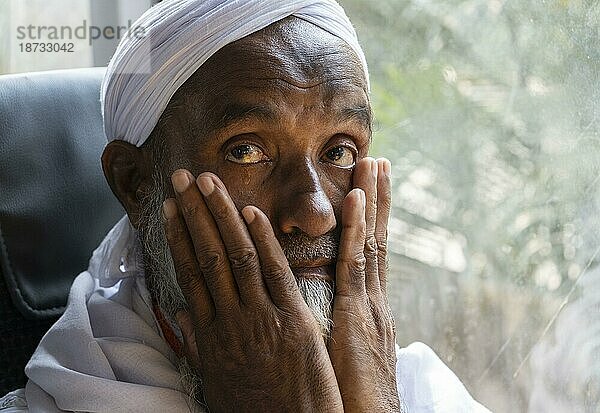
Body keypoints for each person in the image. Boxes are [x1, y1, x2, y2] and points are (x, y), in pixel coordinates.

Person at [1, 0, 490, 411]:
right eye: (247, 151)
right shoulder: (70, 395)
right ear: (135, 184)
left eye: (338, 151)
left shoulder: (416, 385)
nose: (316, 211)